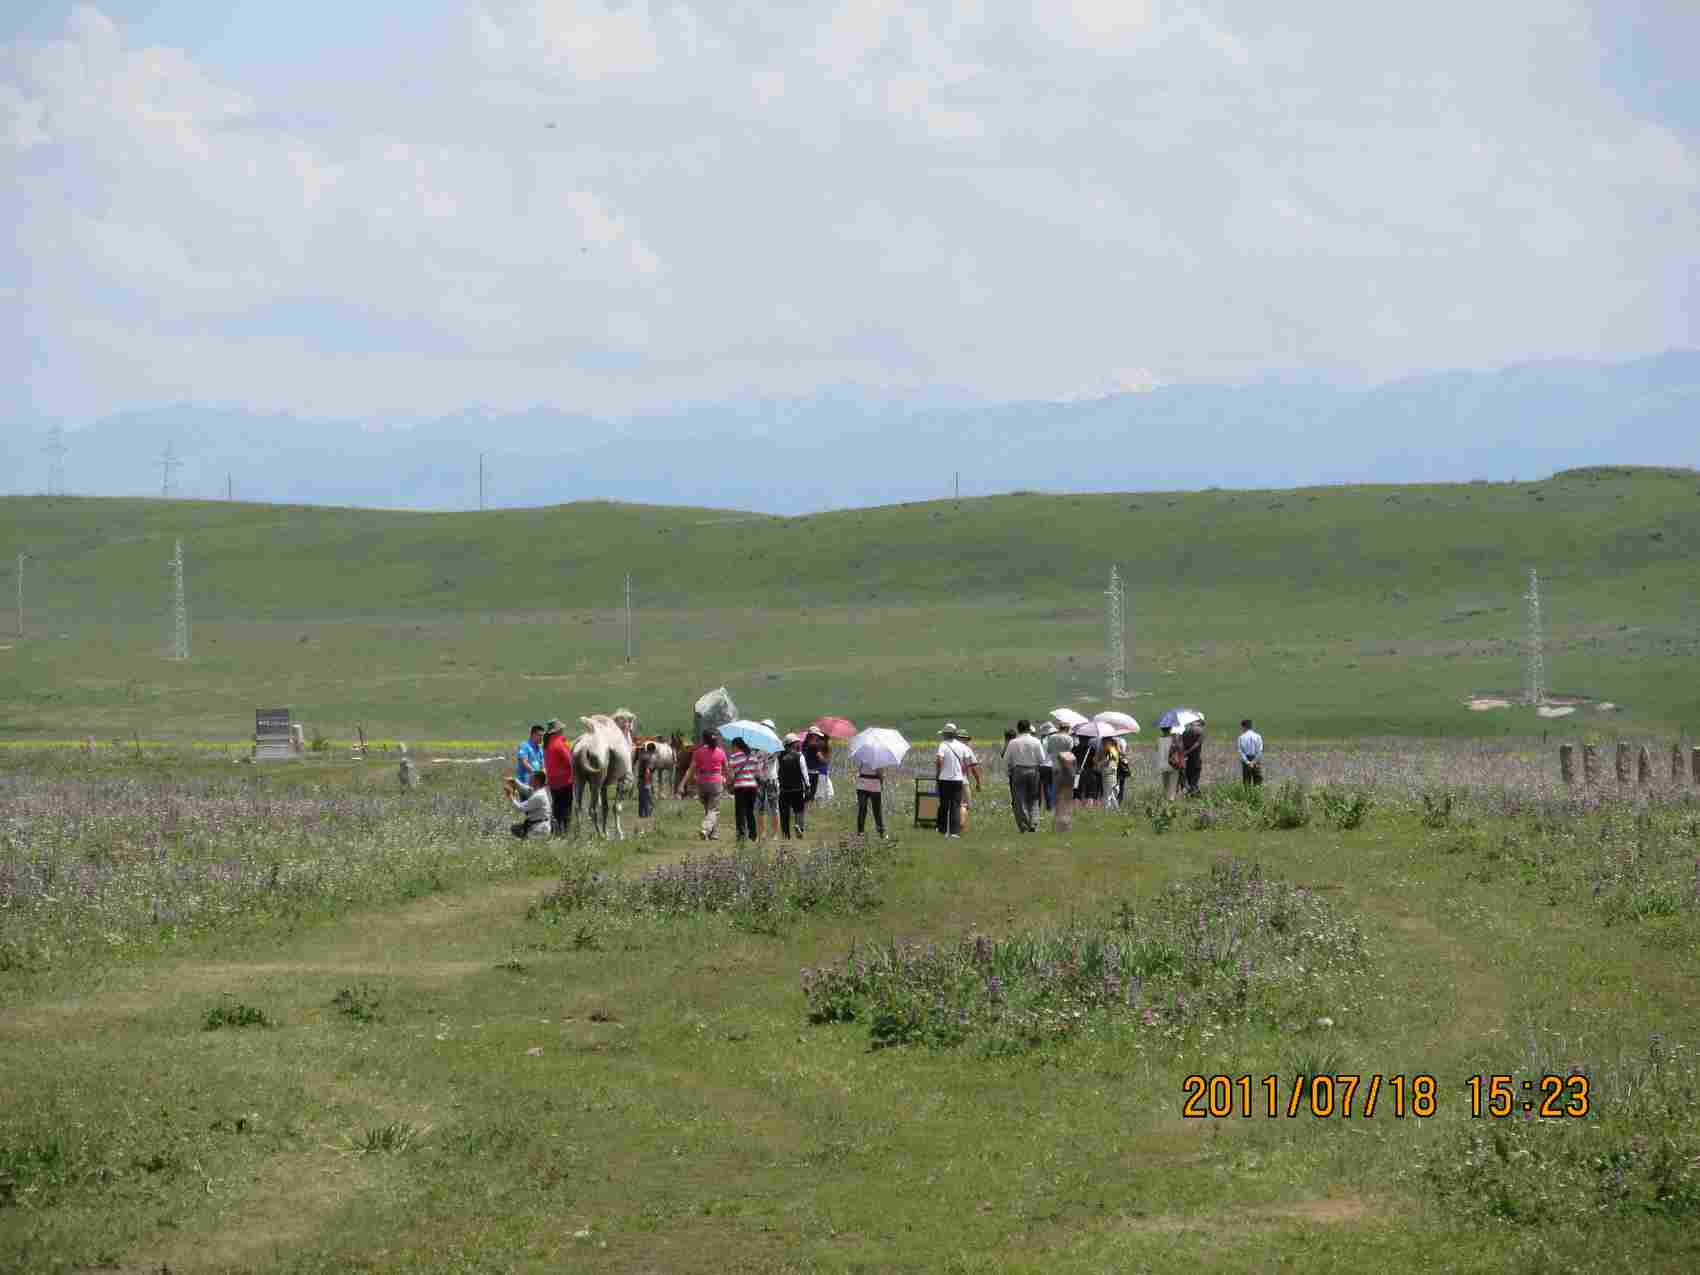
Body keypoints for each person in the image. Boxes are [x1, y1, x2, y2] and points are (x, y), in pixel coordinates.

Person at [677, 730, 727, 840]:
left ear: (704, 740)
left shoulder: (698, 752)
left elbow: (690, 770)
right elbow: (726, 769)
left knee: (709, 809)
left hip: (702, 783)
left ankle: (714, 834)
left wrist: (682, 784)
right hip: (716, 782)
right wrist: (729, 781)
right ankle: (705, 829)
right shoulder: (721, 752)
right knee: (713, 809)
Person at [934, 723, 980, 838]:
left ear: (945, 734)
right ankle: (954, 831)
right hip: (958, 779)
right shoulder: (963, 746)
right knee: (956, 805)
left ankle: (943, 829)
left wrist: (938, 772)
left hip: (944, 779)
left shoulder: (943, 745)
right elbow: (968, 762)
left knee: (944, 804)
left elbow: (939, 760)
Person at [1003, 719, 1045, 833]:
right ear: (1029, 728)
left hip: (1018, 771)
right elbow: (1042, 759)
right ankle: (1034, 822)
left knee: (1019, 799)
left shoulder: (1013, 742)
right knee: (1034, 798)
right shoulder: (1036, 741)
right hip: (1033, 770)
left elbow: (1006, 760)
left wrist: (1008, 772)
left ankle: (1024, 824)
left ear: (1018, 729)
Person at [542, 718, 575, 835]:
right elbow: (569, 761)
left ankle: (555, 831)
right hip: (564, 781)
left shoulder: (547, 744)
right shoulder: (559, 744)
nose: (563, 731)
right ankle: (565, 832)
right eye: (561, 729)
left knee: (556, 807)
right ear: (558, 731)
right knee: (566, 807)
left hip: (553, 782)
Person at [776, 733, 811, 838]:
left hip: (783, 789)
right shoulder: (799, 756)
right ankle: (799, 827)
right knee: (799, 810)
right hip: (797, 789)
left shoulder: (779, 756)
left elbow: (777, 772)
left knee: (784, 813)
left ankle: (786, 834)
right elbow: (804, 773)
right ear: (793, 744)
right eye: (796, 743)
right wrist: (808, 786)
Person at [728, 737, 762, 842]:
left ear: (736, 746)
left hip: (740, 787)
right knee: (750, 812)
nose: (731, 749)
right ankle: (753, 835)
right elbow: (758, 774)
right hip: (752, 787)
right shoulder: (753, 757)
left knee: (740, 812)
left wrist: (729, 783)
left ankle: (741, 835)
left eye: (732, 747)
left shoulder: (733, 757)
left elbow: (730, 775)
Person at [1047, 725, 1077, 832]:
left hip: (1055, 767)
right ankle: (1064, 818)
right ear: (1067, 729)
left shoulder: (1052, 738)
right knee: (1066, 794)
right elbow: (1071, 752)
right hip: (1066, 768)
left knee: (1056, 792)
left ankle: (1056, 814)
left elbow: (1049, 751)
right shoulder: (1069, 738)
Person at [503, 774, 553, 839]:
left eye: (531, 779)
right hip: (539, 825)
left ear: (536, 781)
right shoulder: (541, 791)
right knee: (515, 828)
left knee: (517, 831)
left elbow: (520, 808)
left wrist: (510, 796)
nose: (529, 780)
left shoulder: (538, 796)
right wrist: (515, 782)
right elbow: (528, 790)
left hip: (539, 829)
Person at [854, 759, 886, 838]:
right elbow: (880, 774)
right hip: (873, 786)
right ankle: (880, 832)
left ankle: (860, 832)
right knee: (876, 810)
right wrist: (881, 782)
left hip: (863, 785)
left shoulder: (863, 758)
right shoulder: (879, 759)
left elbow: (859, 770)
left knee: (862, 808)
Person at [804, 729, 831, 803]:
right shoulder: (814, 746)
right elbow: (822, 759)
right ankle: (810, 806)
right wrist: (826, 760)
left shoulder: (806, 744)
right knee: (813, 792)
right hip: (814, 772)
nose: (818, 738)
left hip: (811, 771)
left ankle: (809, 806)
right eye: (817, 736)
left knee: (810, 792)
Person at [1037, 722, 1059, 811]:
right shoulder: (1056, 742)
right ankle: (1050, 806)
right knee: (1051, 787)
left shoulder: (1042, 741)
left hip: (1042, 765)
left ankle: (1042, 805)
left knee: (1043, 787)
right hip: (1052, 766)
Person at [1179, 720, 1204, 797]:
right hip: (1195, 760)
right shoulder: (1200, 734)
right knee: (1194, 781)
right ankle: (1195, 795)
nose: (1200, 727)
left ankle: (1191, 793)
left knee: (1189, 780)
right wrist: (1187, 752)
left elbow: (1181, 745)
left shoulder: (1184, 733)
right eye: (1198, 725)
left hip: (1186, 760)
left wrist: (1184, 753)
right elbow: (1197, 744)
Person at [1237, 718, 1264, 787]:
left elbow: (1241, 752)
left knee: (1246, 783)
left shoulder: (1241, 738)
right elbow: (1260, 751)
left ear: (1244, 727)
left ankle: (1247, 797)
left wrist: (1248, 762)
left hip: (1246, 760)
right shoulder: (1258, 736)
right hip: (1256, 760)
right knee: (1258, 782)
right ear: (1251, 726)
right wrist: (1253, 762)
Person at [635, 740, 658, 818]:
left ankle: (641, 814)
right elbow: (648, 771)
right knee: (647, 798)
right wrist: (648, 783)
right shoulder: (649, 758)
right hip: (645, 780)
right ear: (653, 750)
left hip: (641, 779)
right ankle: (647, 814)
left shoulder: (643, 756)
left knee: (642, 798)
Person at [1158, 726, 1178, 801]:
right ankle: (1171, 799)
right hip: (1173, 763)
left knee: (1166, 784)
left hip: (1163, 764)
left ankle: (1166, 798)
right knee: (1173, 783)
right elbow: (1177, 748)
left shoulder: (1159, 739)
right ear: (1170, 729)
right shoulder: (1173, 739)